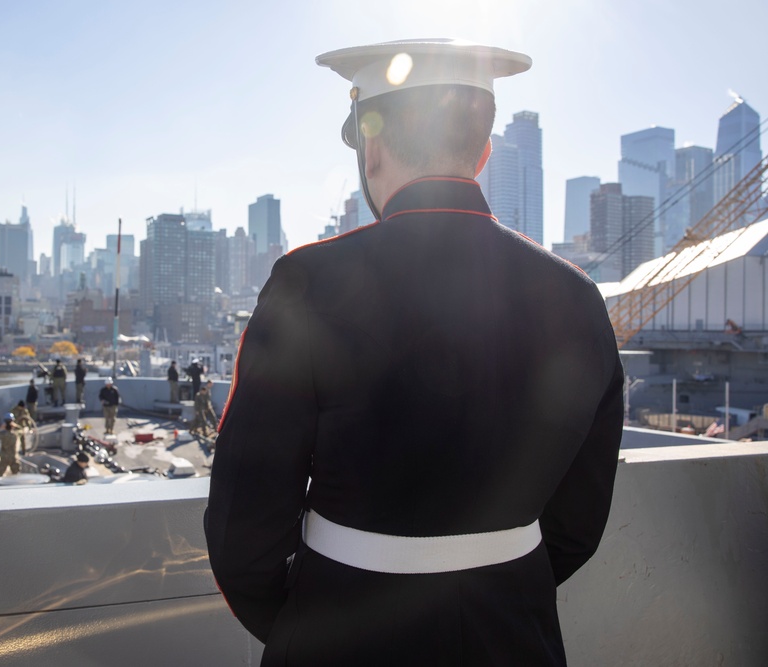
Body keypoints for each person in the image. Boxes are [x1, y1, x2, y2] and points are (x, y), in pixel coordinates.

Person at [205, 40, 624, 665]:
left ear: (371, 148)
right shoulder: (577, 294)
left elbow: (246, 526)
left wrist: (304, 621)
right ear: (481, 153)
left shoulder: (309, 281)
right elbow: (578, 522)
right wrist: (500, 587)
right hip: (514, 633)